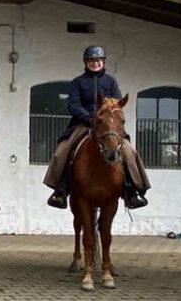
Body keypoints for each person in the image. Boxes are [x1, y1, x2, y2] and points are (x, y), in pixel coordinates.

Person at [43, 45, 150, 210]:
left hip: (108, 125)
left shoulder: (110, 81)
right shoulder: (77, 82)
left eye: (98, 60)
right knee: (61, 151)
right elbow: (73, 105)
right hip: (82, 123)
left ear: (103, 62)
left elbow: (117, 103)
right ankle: (60, 190)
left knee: (130, 151)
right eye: (91, 61)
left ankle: (133, 190)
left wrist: (107, 117)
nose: (95, 63)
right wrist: (88, 118)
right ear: (85, 63)